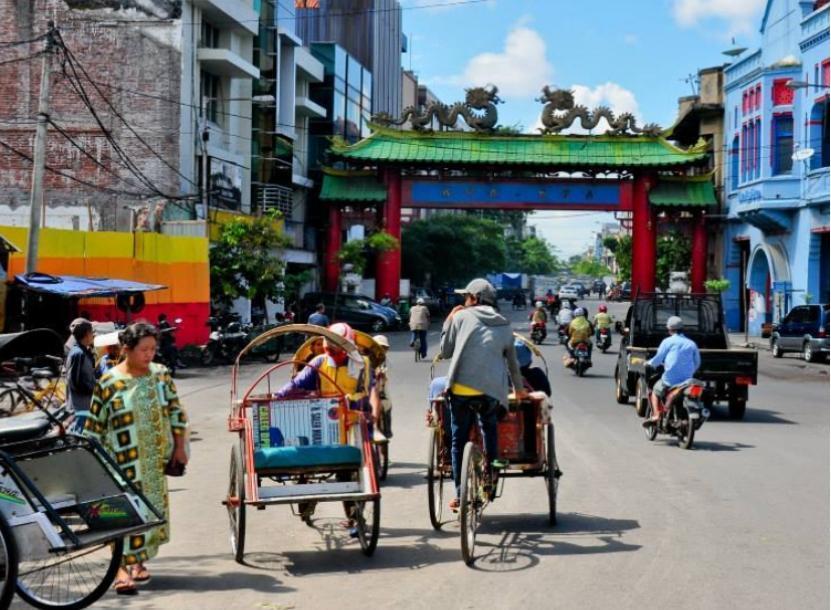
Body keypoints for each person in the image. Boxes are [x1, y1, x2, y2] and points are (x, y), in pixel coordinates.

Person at [83, 323, 189, 596]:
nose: (150, 354)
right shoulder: (109, 382)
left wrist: (179, 447)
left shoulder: (161, 375)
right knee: (119, 513)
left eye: (153, 349)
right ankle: (120, 569)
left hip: (153, 462)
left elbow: (176, 413)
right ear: (126, 349)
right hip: (117, 461)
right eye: (144, 349)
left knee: (147, 512)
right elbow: (94, 425)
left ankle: (138, 561)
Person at [439, 278, 525, 511]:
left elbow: (445, 351)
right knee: (489, 429)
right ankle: (492, 475)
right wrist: (519, 390)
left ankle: (459, 493)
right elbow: (513, 363)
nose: (464, 301)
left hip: (460, 389)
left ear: (474, 298)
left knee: (458, 441)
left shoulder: (459, 317)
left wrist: (449, 321)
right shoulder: (505, 323)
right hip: (491, 392)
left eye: (466, 297)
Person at [276, 323, 386, 442]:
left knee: (363, 451)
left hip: (355, 417)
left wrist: (374, 418)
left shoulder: (363, 364)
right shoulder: (319, 362)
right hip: (325, 417)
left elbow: (373, 392)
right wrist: (277, 396)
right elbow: (296, 384)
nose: (333, 355)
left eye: (336, 351)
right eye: (330, 351)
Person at [643, 316, 701, 427]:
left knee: (655, 392)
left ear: (669, 329)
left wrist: (648, 363)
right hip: (687, 381)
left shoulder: (667, 342)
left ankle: (656, 415)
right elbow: (697, 362)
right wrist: (689, 372)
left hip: (670, 380)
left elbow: (658, 359)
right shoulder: (691, 343)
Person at [65, 319, 96, 433]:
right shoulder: (78, 353)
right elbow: (74, 380)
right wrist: (89, 389)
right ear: (87, 334)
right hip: (80, 402)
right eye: (92, 332)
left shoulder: (83, 351)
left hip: (83, 400)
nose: (93, 335)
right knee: (79, 431)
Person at [372, 334, 392, 438]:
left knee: (387, 404)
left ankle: (387, 430)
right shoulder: (366, 359)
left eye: (383, 348)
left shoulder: (385, 361)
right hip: (368, 389)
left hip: (381, 388)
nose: (380, 350)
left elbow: (386, 375)